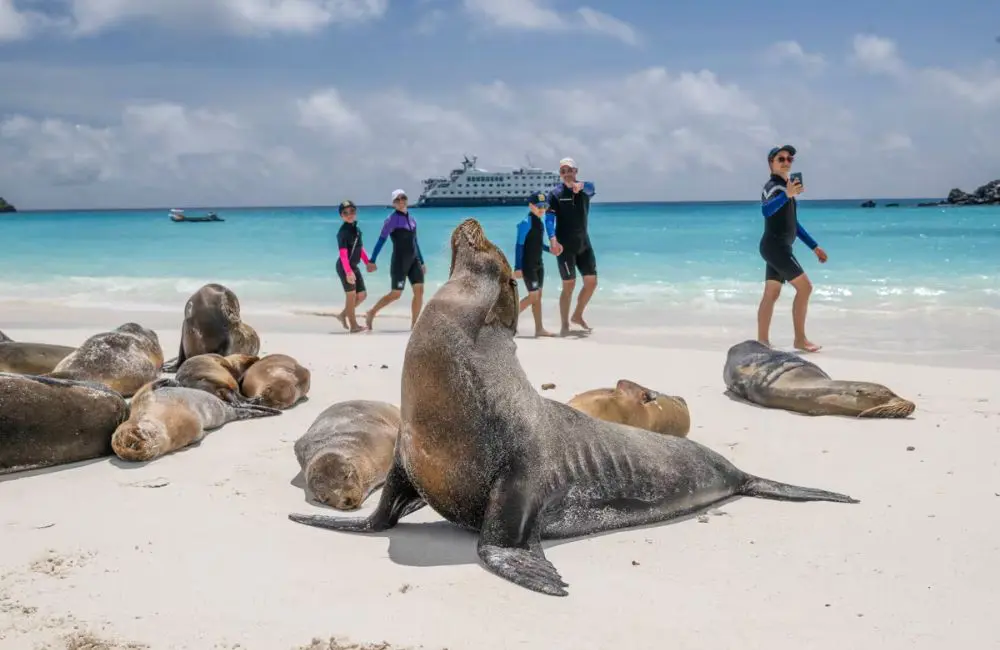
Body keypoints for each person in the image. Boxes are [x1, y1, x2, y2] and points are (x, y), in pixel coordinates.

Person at [757, 144, 828, 352]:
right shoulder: (773, 187)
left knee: (771, 292)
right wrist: (785, 195)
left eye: (790, 159)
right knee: (805, 288)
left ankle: (762, 342)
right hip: (775, 247)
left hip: (777, 248)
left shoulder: (787, 188)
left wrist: (814, 247)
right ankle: (800, 340)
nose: (786, 162)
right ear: (771, 163)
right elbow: (766, 210)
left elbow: (793, 225)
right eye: (781, 159)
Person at [544, 157, 597, 337]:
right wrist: (552, 239)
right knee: (569, 285)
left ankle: (577, 315)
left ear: (575, 171)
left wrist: (582, 186)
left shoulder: (585, 190)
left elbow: (592, 187)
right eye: (563, 171)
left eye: (569, 170)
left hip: (584, 244)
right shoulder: (555, 194)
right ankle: (565, 325)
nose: (566, 174)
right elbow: (549, 219)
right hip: (564, 246)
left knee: (591, 282)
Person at [364, 189, 426, 330]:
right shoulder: (391, 220)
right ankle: (372, 312)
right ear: (393, 203)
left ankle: (415, 326)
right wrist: (372, 260)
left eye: (403, 198)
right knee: (396, 294)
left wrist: (422, 261)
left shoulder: (412, 220)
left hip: (414, 260)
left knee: (419, 291)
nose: (401, 201)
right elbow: (381, 241)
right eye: (397, 200)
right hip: (399, 262)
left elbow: (415, 242)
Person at [513, 191, 557, 337]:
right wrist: (518, 268)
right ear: (530, 206)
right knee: (533, 297)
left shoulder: (540, 222)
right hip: (528, 266)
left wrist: (549, 249)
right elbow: (519, 246)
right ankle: (508, 320)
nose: (542, 209)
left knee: (538, 298)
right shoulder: (526, 223)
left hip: (539, 265)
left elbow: (538, 244)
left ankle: (539, 329)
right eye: (539, 206)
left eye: (544, 206)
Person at [333, 200, 375, 333]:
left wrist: (367, 262)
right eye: (345, 213)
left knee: (362, 295)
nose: (349, 214)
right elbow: (343, 254)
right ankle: (353, 326)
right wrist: (348, 272)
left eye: (352, 211)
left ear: (355, 212)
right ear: (341, 216)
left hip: (354, 266)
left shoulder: (356, 230)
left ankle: (343, 314)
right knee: (351, 296)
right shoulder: (343, 232)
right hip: (345, 267)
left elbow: (360, 249)